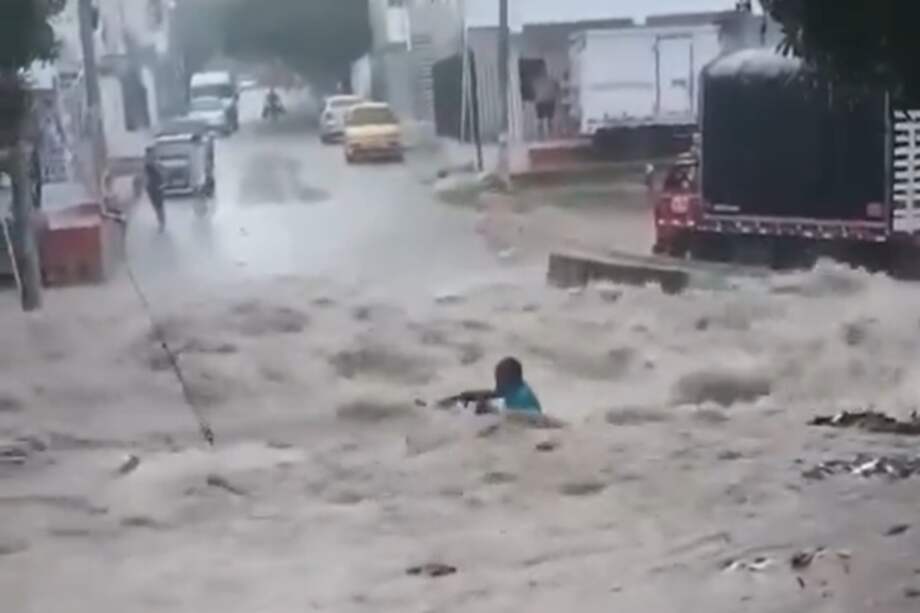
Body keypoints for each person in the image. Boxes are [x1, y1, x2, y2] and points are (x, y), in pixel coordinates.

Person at [440, 357, 542, 414]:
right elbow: (497, 394)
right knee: (467, 398)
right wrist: (469, 396)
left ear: (510, 377)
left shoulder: (523, 398)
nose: (497, 381)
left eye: (500, 377)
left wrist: (491, 409)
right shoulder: (514, 387)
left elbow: (532, 417)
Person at [533, 69, 559, 141]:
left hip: (541, 101)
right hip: (549, 100)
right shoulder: (552, 80)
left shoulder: (536, 81)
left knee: (540, 119)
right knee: (549, 119)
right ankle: (550, 135)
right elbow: (557, 89)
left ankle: (540, 136)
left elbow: (533, 91)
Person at [144, 147, 165, 231]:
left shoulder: (155, 161)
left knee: (159, 206)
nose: (151, 154)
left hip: (157, 186)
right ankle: (160, 222)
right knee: (156, 206)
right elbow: (145, 175)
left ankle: (161, 223)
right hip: (151, 187)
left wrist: (162, 182)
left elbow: (162, 171)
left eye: (152, 153)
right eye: (149, 153)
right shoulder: (147, 162)